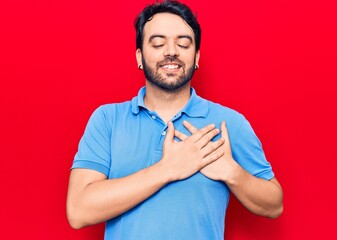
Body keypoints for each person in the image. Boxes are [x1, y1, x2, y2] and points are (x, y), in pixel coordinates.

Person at [66, 0, 283, 239]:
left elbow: (274, 204)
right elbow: (78, 211)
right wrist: (168, 169)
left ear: (197, 57)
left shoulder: (229, 123)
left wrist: (233, 173)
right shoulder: (107, 120)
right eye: (158, 43)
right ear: (139, 56)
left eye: (183, 43)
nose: (172, 51)